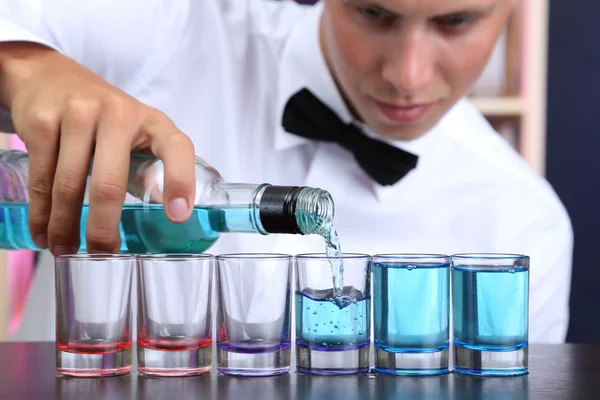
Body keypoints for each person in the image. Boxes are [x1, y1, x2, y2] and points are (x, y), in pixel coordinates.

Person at [0, 0, 572, 343]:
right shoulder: (175, 32)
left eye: (455, 21)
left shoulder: (522, 227)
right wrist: (29, 70)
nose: (407, 75)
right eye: (373, 12)